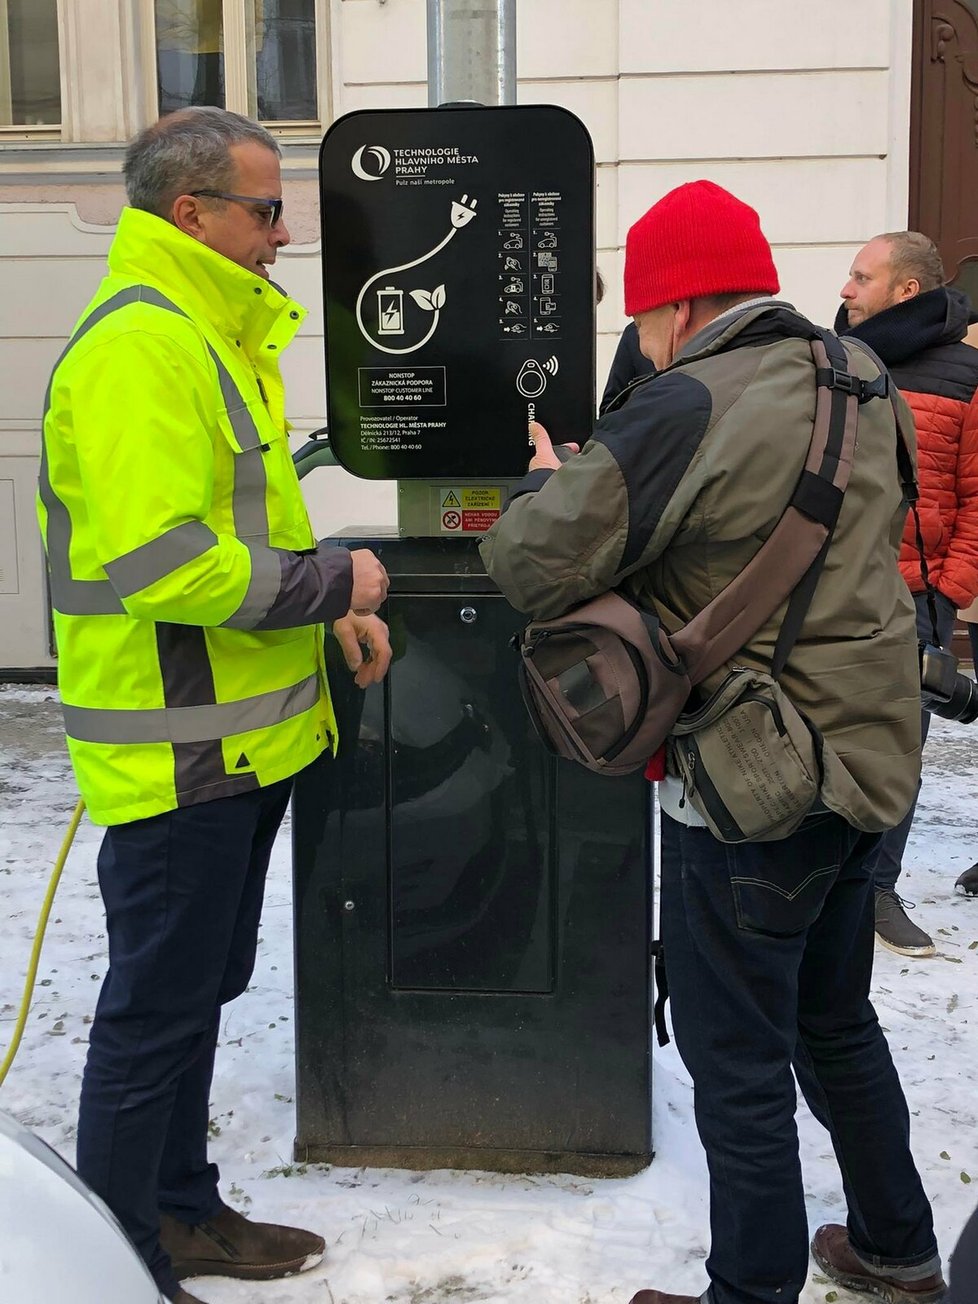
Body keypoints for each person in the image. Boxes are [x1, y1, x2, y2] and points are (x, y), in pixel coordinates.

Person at [480, 180, 944, 1304]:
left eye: (641, 317)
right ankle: (895, 1244)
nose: (640, 338)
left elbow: (530, 561)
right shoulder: (859, 372)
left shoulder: (684, 400)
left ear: (677, 307)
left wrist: (550, 486)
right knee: (832, 1013)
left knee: (735, 1055)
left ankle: (749, 1290)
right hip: (872, 749)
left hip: (754, 776)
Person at [37, 106, 392, 1304]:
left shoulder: (209, 329)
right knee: (152, 1017)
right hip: (182, 753)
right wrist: (334, 576)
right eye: (267, 207)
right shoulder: (144, 345)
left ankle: (180, 1211)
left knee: (195, 993)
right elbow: (161, 561)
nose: (286, 231)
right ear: (191, 213)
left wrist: (323, 606)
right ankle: (119, 1263)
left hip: (243, 743)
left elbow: (252, 522)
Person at [837, 232, 978, 955]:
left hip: (918, 600)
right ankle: (828, 887)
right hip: (830, 592)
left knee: (900, 753)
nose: (845, 290)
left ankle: (877, 891)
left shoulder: (966, 374)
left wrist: (949, 586)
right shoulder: (828, 361)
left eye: (862, 277)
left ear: (907, 291)